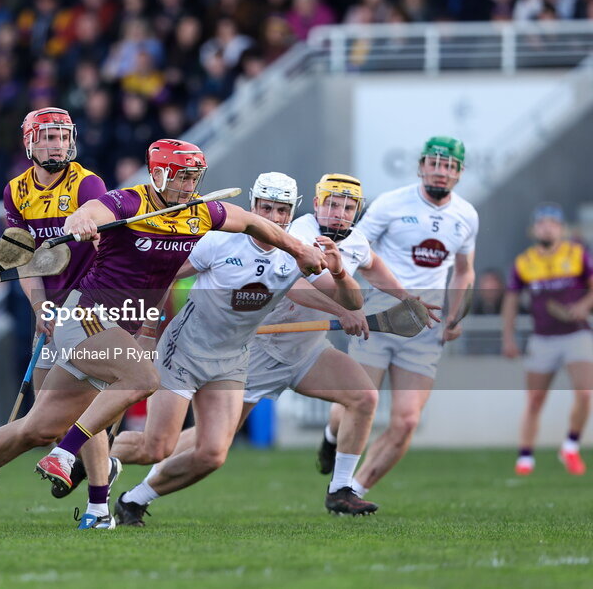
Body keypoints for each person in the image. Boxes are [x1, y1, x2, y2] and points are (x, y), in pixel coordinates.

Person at [0, 139, 326, 531]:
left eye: (194, 177)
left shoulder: (200, 213)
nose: (190, 185)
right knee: (143, 379)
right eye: (182, 177)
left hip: (122, 325)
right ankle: (66, 456)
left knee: (37, 428)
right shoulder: (129, 203)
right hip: (85, 315)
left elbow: (254, 221)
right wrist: (81, 221)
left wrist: (298, 250)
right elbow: (92, 211)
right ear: (159, 174)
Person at [110, 172, 361, 523]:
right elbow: (159, 277)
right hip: (183, 351)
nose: (273, 217)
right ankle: (90, 455)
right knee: (156, 447)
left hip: (231, 360)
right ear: (253, 206)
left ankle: (132, 502)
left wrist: (339, 273)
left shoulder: (298, 253)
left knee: (212, 455)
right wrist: (147, 329)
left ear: (292, 212)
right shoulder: (219, 241)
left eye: (281, 210)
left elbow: (352, 301)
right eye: (266, 208)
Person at [330, 137, 478, 497]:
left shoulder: (467, 215)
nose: (441, 172)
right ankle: (329, 437)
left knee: (407, 420)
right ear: (421, 166)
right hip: (379, 318)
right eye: (435, 163)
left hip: (425, 325)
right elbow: (355, 251)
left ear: (459, 173)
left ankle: (352, 490)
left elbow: (464, 272)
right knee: (352, 405)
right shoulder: (391, 203)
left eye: (450, 166)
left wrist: (454, 317)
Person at [3, 107, 117, 526]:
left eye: (62, 136)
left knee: (80, 399)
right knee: (44, 421)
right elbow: (22, 260)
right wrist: (39, 308)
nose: (56, 145)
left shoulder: (88, 182)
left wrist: (88, 222)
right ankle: (96, 464)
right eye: (47, 137)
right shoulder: (15, 191)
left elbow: (97, 227)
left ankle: (100, 507)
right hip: (50, 307)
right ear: (30, 142)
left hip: (88, 304)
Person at [503, 203, 593, 476]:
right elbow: (511, 300)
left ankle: (570, 446)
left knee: (585, 393)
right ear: (533, 229)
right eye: (542, 223)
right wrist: (508, 337)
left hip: (576, 334)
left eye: (553, 223)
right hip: (542, 339)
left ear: (561, 228)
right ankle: (526, 457)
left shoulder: (577, 254)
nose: (547, 227)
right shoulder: (524, 262)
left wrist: (584, 306)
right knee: (534, 400)